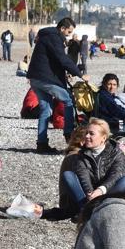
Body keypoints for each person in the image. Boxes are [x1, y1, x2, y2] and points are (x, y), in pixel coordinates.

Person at [45, 119, 125, 221]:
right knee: (68, 175)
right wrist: (90, 193)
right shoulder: (81, 154)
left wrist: (101, 190)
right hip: (88, 196)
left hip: (107, 192)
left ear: (103, 138)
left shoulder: (116, 153)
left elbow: (116, 174)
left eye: (91, 134)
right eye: (86, 133)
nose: (87, 136)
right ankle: (87, 209)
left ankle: (91, 210)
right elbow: (82, 176)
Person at [26, 17, 90, 153]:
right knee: (68, 100)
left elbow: (52, 60)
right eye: (68, 32)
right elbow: (62, 59)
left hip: (35, 78)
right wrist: (80, 74)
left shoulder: (47, 36)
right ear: (62, 29)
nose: (69, 35)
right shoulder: (54, 38)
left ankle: (41, 143)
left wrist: (65, 74)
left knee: (46, 110)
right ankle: (68, 134)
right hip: (44, 79)